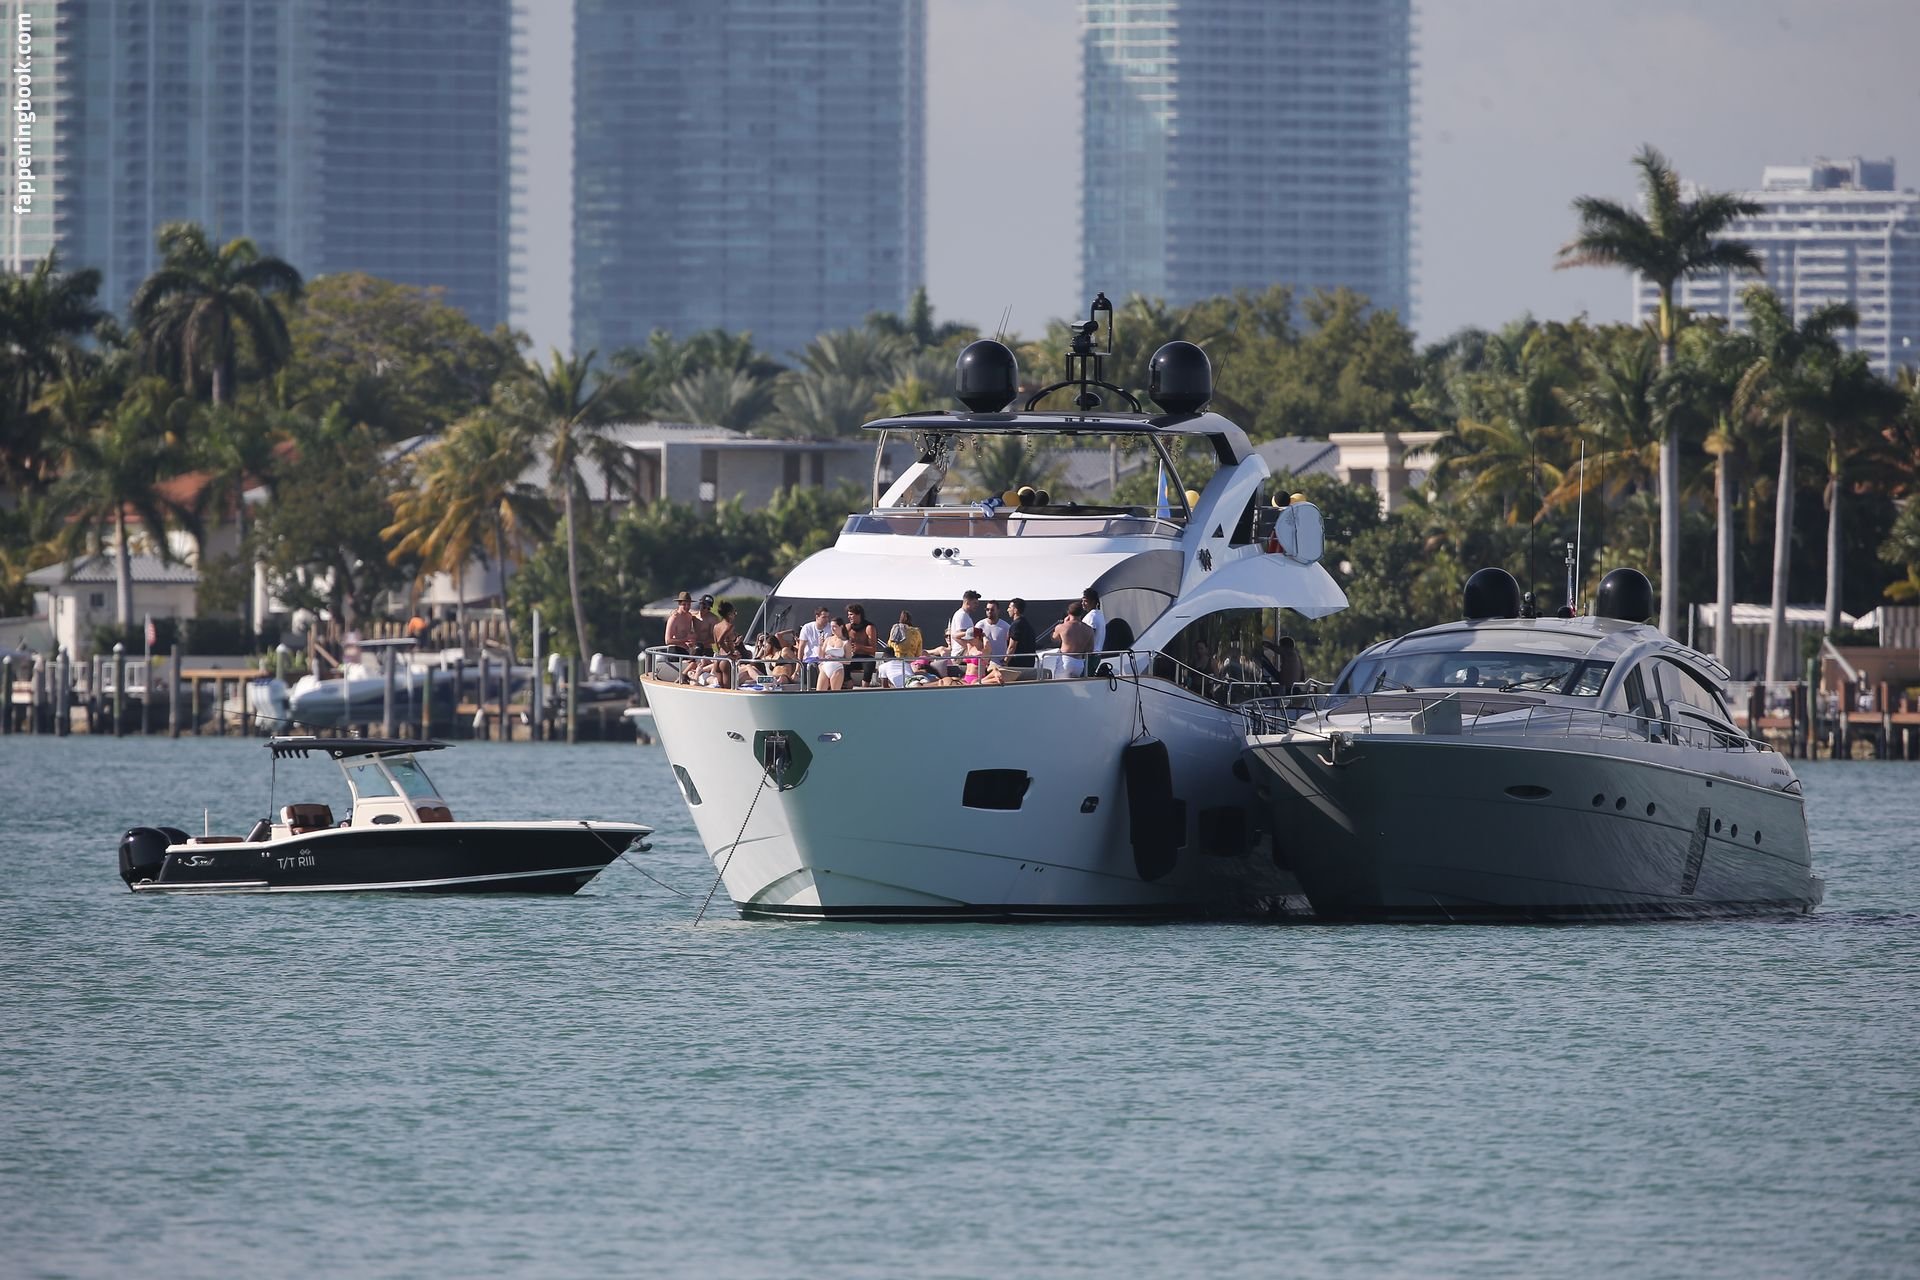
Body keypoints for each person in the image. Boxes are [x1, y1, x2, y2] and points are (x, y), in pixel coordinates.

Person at [1051, 602, 1094, 676]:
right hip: (1079, 663)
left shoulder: (1062, 627)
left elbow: (1054, 639)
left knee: (1059, 682)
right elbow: (1090, 649)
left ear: (1068, 612)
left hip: (1066, 660)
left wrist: (1064, 623)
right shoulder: (1089, 629)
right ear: (1081, 613)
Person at [845, 603, 878, 686]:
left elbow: (874, 649)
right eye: (848, 615)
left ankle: (864, 688)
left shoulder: (869, 628)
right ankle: (849, 687)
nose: (849, 617)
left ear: (858, 614)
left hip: (867, 658)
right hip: (853, 657)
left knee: (869, 668)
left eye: (851, 614)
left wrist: (860, 647)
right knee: (842, 666)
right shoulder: (848, 627)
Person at [798, 607, 832, 686]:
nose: (827, 620)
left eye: (828, 617)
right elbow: (801, 647)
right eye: (824, 617)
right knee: (812, 668)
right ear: (817, 617)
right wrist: (799, 665)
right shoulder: (807, 627)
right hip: (810, 659)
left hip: (826, 658)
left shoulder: (831, 627)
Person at [947, 590, 982, 662]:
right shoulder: (962, 615)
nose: (977, 605)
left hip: (963, 654)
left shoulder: (965, 615)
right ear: (967, 602)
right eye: (974, 603)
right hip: (960, 655)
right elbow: (958, 636)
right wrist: (972, 649)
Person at [818, 618, 851, 691]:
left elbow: (849, 661)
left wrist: (836, 659)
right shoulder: (828, 639)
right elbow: (821, 656)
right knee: (819, 692)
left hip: (837, 668)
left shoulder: (846, 642)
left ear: (841, 627)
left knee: (834, 692)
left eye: (834, 626)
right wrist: (820, 645)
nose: (832, 629)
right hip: (825, 667)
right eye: (831, 626)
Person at [1005, 597, 1037, 670]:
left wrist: (1005, 661)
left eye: (1009, 607)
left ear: (1015, 610)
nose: (1007, 610)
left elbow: (1012, 646)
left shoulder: (1016, 625)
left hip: (1017, 664)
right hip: (1029, 664)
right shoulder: (1026, 623)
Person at [1080, 587, 1108, 653]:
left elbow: (1089, 635)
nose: (1082, 603)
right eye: (1082, 601)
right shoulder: (1099, 614)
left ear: (1093, 602)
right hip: (1097, 653)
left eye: (1085, 601)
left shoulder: (1092, 616)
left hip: (1090, 654)